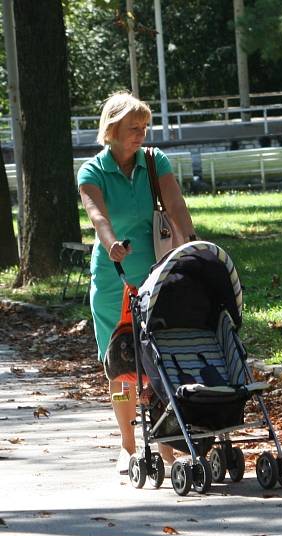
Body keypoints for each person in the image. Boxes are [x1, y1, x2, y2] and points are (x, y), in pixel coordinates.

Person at [77, 91, 197, 474]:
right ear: (111, 130)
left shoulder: (153, 160)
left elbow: (176, 205)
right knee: (121, 362)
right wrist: (111, 244)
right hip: (115, 278)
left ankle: (164, 447)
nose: (141, 134)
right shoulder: (92, 171)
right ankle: (128, 444)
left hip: (157, 274)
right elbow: (97, 214)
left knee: (158, 359)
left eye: (144, 127)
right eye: (133, 128)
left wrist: (192, 244)